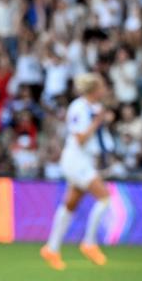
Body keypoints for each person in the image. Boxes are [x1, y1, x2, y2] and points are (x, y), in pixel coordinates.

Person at [41, 73, 114, 270]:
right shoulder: (78, 107)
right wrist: (97, 122)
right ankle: (89, 243)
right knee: (105, 198)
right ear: (94, 89)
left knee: (70, 205)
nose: (105, 89)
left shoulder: (95, 107)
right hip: (76, 160)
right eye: (102, 86)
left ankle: (51, 248)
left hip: (86, 161)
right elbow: (80, 138)